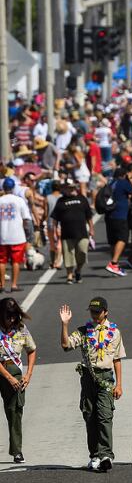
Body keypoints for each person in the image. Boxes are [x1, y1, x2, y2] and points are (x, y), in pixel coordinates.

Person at [59, 297, 125, 472]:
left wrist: (119, 385)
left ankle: (106, 455)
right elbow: (66, 345)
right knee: (90, 416)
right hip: (88, 377)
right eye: (92, 312)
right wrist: (65, 324)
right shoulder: (83, 331)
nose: (94, 315)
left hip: (105, 377)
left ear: (105, 312)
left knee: (105, 416)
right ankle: (94, 455)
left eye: (97, 312)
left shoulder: (115, 332)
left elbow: (117, 359)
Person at [0, 297, 36, 464]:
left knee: (15, 411)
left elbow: (31, 350)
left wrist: (28, 374)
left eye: (14, 316)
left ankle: (17, 450)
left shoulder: (21, 329)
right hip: (3, 371)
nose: (12, 320)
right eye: (9, 316)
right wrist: (7, 377)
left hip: (14, 372)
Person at [50, 181, 94, 284]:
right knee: (68, 255)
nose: (71, 190)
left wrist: (91, 228)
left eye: (73, 188)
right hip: (67, 233)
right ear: (65, 189)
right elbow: (55, 218)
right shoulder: (61, 201)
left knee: (82, 253)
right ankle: (69, 275)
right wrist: (55, 230)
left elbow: (89, 216)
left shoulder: (82, 199)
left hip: (82, 232)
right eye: (69, 188)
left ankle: (78, 271)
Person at [0, 178, 32, 293]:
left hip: (2, 236)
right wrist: (28, 233)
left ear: (3, 188)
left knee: (1, 261)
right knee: (16, 261)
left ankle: (2, 284)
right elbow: (26, 219)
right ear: (13, 188)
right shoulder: (19, 200)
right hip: (17, 236)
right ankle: (13, 285)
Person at [105, 166, 132, 276]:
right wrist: (131, 182)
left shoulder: (110, 183)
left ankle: (115, 265)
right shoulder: (123, 183)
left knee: (113, 241)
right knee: (122, 239)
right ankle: (113, 263)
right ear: (124, 175)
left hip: (109, 215)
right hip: (120, 215)